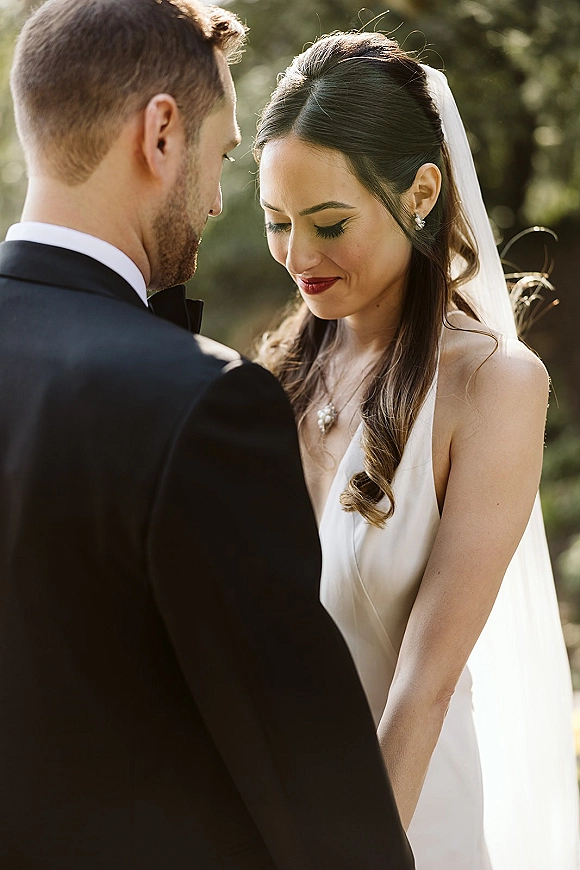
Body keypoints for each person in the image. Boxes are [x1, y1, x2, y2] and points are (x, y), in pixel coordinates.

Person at [0, 3, 415, 868]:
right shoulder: (201, 401)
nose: (220, 197)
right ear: (160, 133)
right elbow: (310, 778)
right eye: (221, 153)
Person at [255, 32, 580, 870]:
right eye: (277, 224)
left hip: (401, 822)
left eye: (329, 224)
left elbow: (423, 686)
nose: (298, 258)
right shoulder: (280, 375)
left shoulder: (495, 386)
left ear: (422, 192)